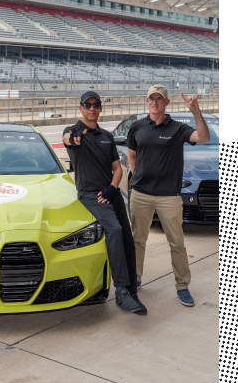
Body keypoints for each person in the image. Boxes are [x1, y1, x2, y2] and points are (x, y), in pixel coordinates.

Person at [63, 91, 146, 315]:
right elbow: (67, 139)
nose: (92, 108)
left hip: (110, 191)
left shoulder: (107, 136)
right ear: (80, 108)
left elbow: (117, 168)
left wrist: (113, 186)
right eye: (87, 104)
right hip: (91, 194)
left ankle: (131, 290)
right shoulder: (74, 131)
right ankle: (120, 291)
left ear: (100, 108)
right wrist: (72, 139)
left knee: (128, 238)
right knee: (115, 230)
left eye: (96, 105)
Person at [127, 85, 210, 307]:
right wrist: (138, 177)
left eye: (159, 99)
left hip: (169, 197)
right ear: (146, 102)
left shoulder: (177, 128)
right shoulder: (136, 127)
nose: (155, 102)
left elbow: (203, 136)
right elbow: (132, 156)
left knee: (177, 243)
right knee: (137, 240)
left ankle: (182, 286)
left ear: (166, 102)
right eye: (151, 98)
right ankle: (135, 280)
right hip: (141, 194)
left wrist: (195, 110)